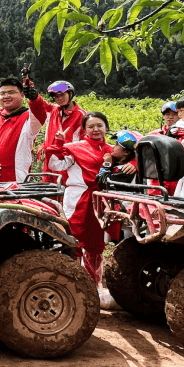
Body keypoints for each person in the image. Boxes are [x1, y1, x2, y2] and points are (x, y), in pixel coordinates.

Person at [56, 112, 113, 285]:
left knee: (95, 244)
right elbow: (56, 164)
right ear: (84, 130)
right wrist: (59, 144)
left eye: (99, 125)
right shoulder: (74, 147)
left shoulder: (112, 150)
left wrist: (130, 165)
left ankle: (92, 287)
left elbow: (132, 159)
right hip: (78, 199)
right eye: (90, 126)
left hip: (100, 201)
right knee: (72, 239)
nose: (95, 129)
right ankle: (69, 285)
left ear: (106, 128)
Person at [0, 77, 50, 184]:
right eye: (3, 93)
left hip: (16, 182)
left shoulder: (28, 118)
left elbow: (40, 114)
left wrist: (34, 99)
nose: (6, 96)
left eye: (11, 92)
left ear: (22, 95)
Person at [40, 80, 87, 182]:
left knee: (64, 192)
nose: (59, 98)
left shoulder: (82, 115)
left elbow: (86, 142)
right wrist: (31, 92)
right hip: (50, 160)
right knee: (47, 191)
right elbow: (39, 104)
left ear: (70, 94)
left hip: (68, 162)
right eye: (56, 96)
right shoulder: (54, 110)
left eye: (62, 95)